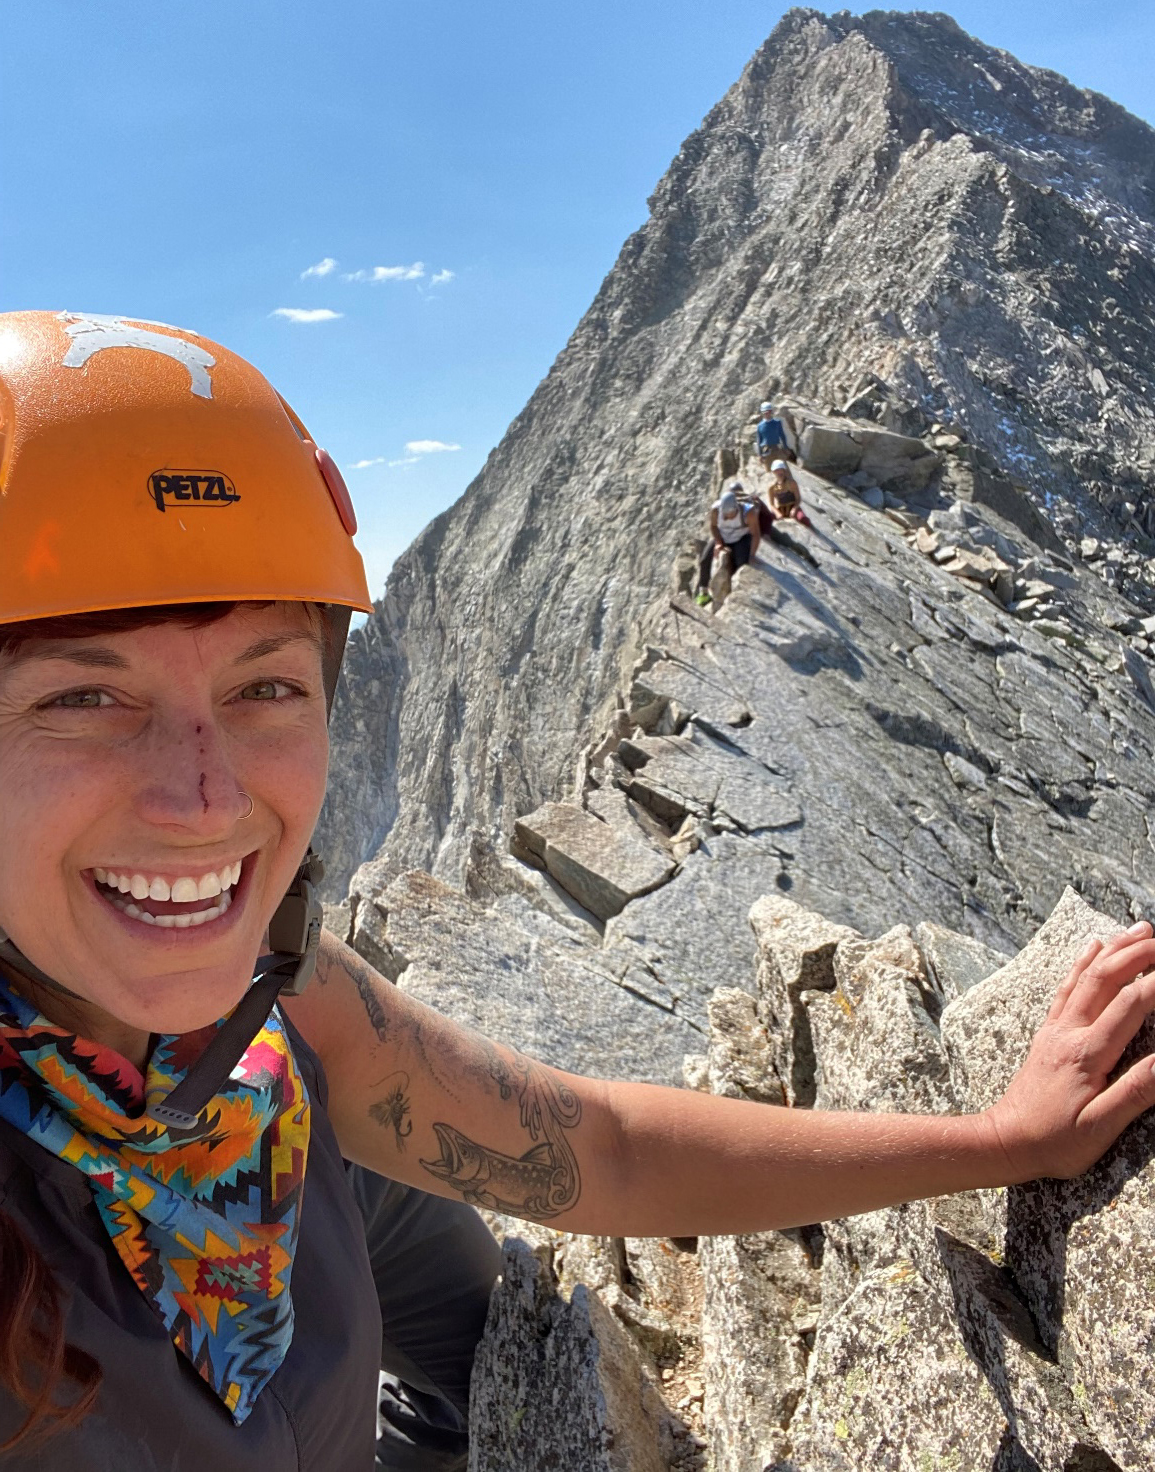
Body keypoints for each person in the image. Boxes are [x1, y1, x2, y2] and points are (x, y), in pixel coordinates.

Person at [2, 310, 1155, 1471]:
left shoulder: (279, 1026)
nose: (202, 800)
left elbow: (603, 1154)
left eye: (265, 686)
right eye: (81, 699)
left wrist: (1002, 1139)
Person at [696, 489, 762, 602]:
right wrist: (718, 542)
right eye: (725, 515)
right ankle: (703, 592)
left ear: (736, 508)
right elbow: (713, 526)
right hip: (723, 537)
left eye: (730, 514)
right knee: (704, 559)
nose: (727, 517)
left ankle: (733, 591)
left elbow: (755, 534)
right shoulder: (716, 511)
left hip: (741, 538)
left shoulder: (748, 512)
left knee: (740, 562)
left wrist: (752, 555)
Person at [766, 458, 811, 527]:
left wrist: (794, 509)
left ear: (784, 471)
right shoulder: (772, 488)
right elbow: (772, 505)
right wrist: (777, 513)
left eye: (781, 470)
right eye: (777, 470)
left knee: (803, 519)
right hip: (781, 509)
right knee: (767, 519)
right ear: (774, 472)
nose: (779, 472)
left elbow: (798, 498)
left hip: (793, 507)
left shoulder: (792, 483)